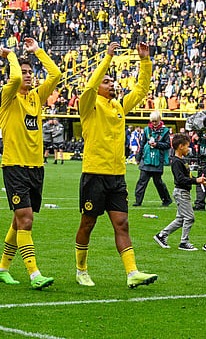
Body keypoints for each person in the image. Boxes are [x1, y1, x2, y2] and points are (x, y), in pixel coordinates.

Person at [74, 42, 157, 288]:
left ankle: (132, 273)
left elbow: (141, 90)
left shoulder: (118, 106)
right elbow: (89, 85)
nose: (112, 84)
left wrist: (145, 61)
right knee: (88, 223)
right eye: (107, 81)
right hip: (94, 174)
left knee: (122, 223)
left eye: (113, 81)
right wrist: (107, 58)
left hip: (116, 175)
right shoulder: (88, 105)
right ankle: (81, 269)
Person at [0, 38, 61, 290]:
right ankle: (34, 274)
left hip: (36, 166)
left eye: (31, 72)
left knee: (18, 220)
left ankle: (2, 269)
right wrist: (11, 57)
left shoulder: (35, 97)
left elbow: (55, 74)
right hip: (14, 166)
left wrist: (37, 52)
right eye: (24, 72)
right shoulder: (7, 96)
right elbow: (12, 80)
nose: (29, 76)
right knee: (26, 219)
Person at [153, 133, 206, 250]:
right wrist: (196, 180)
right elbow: (180, 179)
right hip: (181, 192)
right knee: (189, 218)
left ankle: (161, 235)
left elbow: (187, 176)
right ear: (180, 146)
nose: (188, 148)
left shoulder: (182, 160)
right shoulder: (176, 161)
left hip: (184, 192)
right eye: (187, 146)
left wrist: (201, 181)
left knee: (181, 219)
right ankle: (184, 242)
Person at [134, 112, 172, 207]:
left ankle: (166, 200)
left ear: (159, 120)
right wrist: (138, 158)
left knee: (158, 182)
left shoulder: (165, 131)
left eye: (156, 121)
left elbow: (168, 145)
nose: (154, 123)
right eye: (152, 121)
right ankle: (138, 201)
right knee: (142, 181)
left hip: (157, 160)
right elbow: (142, 144)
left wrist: (157, 144)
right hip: (146, 159)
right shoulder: (147, 130)